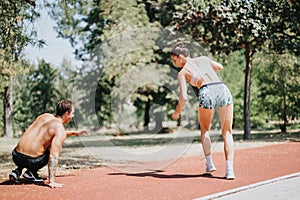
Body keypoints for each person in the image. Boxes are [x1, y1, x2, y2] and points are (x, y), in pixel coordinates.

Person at [170, 42, 235, 180]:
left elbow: (183, 98)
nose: (174, 63)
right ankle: (230, 171)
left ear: (180, 56)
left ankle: (209, 164)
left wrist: (177, 113)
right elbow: (220, 67)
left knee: (205, 130)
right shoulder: (203, 59)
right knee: (227, 132)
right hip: (222, 88)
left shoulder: (182, 73)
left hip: (206, 90)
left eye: (174, 60)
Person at [9, 99, 87, 188]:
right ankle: (30, 172)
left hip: (16, 155)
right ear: (66, 114)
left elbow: (49, 133)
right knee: (51, 146)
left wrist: (75, 133)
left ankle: (18, 171)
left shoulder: (45, 116)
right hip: (32, 161)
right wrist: (52, 181)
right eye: (72, 113)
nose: (73, 116)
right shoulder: (59, 129)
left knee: (38, 142)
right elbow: (53, 156)